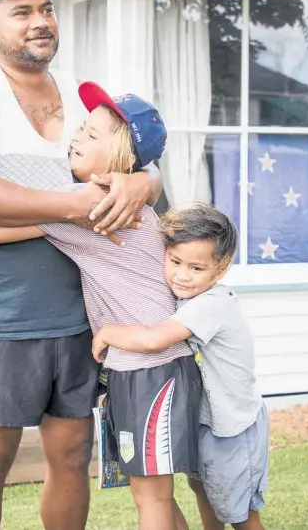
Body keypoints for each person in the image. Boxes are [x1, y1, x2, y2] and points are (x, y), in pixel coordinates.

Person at [0, 0, 162, 530]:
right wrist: (76, 206)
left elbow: (139, 163)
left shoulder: (84, 98)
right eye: (22, 11)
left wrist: (142, 182)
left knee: (73, 458)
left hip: (77, 311)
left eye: (47, 10)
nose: (40, 22)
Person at [0, 83, 201, 530]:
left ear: (118, 159)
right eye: (81, 127)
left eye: (92, 136)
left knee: (151, 495)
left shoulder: (98, 207)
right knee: (156, 491)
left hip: (146, 366)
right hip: (155, 364)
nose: (77, 137)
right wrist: (143, 179)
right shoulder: (123, 199)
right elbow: (147, 178)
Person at [92, 205, 269, 530]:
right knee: (203, 490)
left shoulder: (212, 304)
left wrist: (107, 332)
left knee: (240, 514)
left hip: (233, 427)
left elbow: (156, 338)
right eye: (175, 262)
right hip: (204, 421)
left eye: (196, 268)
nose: (182, 275)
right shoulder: (185, 297)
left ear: (220, 268)